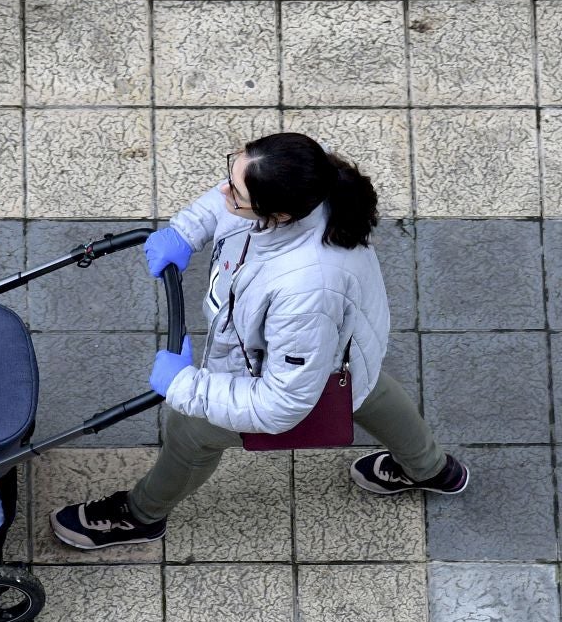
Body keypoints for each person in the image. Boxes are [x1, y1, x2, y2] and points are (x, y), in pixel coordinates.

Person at [52, 132, 468, 549]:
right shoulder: (304, 182)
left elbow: (281, 405)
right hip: (344, 346)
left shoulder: (305, 289)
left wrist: (184, 386)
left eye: (236, 191)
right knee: (363, 385)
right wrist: (186, 229)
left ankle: (140, 516)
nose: (223, 191)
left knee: (191, 431)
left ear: (279, 214)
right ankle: (430, 468)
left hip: (312, 345)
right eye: (232, 171)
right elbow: (227, 201)